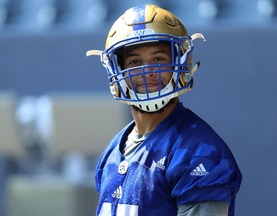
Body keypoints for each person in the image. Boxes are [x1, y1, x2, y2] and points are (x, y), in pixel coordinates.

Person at [86, 4, 242, 216]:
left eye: (158, 59)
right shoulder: (112, 152)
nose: (147, 71)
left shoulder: (200, 152)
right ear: (118, 70)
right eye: (134, 62)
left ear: (179, 61)